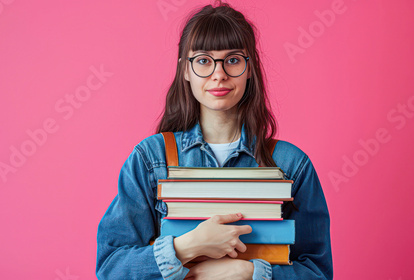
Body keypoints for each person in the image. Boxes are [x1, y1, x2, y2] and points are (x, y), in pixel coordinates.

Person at [96, 1, 332, 279]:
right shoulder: (150, 160)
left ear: (249, 68)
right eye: (204, 61)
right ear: (185, 70)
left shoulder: (291, 165)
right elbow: (111, 267)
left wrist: (247, 272)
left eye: (232, 60)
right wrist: (186, 247)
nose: (219, 74)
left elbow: (318, 272)